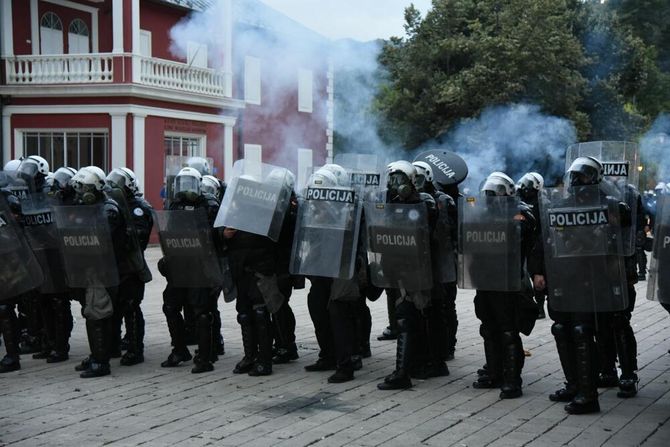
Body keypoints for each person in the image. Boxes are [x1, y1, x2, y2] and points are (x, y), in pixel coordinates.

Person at [469, 172, 536, 399]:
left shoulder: (520, 211)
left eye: (493, 196)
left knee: (508, 330)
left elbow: (526, 227)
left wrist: (508, 214)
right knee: (488, 327)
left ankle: (512, 379)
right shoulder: (482, 213)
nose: (489, 201)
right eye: (486, 197)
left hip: (507, 280)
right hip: (484, 279)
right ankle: (494, 372)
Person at [158, 167, 221, 373]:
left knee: (202, 311)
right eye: (182, 184)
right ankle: (179, 349)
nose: (185, 189)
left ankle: (205, 357)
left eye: (189, 183)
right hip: (179, 264)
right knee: (170, 306)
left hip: (201, 266)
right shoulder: (175, 205)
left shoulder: (210, 205)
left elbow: (217, 236)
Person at [106, 167, 153, 366]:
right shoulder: (111, 205)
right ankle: (113, 345)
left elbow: (138, 236)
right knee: (114, 308)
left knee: (131, 307)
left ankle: (135, 350)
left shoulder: (138, 207)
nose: (113, 185)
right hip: (113, 265)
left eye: (119, 181)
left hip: (132, 265)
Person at [516, 172, 546, 319]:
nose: (525, 187)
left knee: (536, 274)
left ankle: (540, 307)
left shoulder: (541, 201)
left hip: (534, 243)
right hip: (520, 242)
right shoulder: (517, 197)